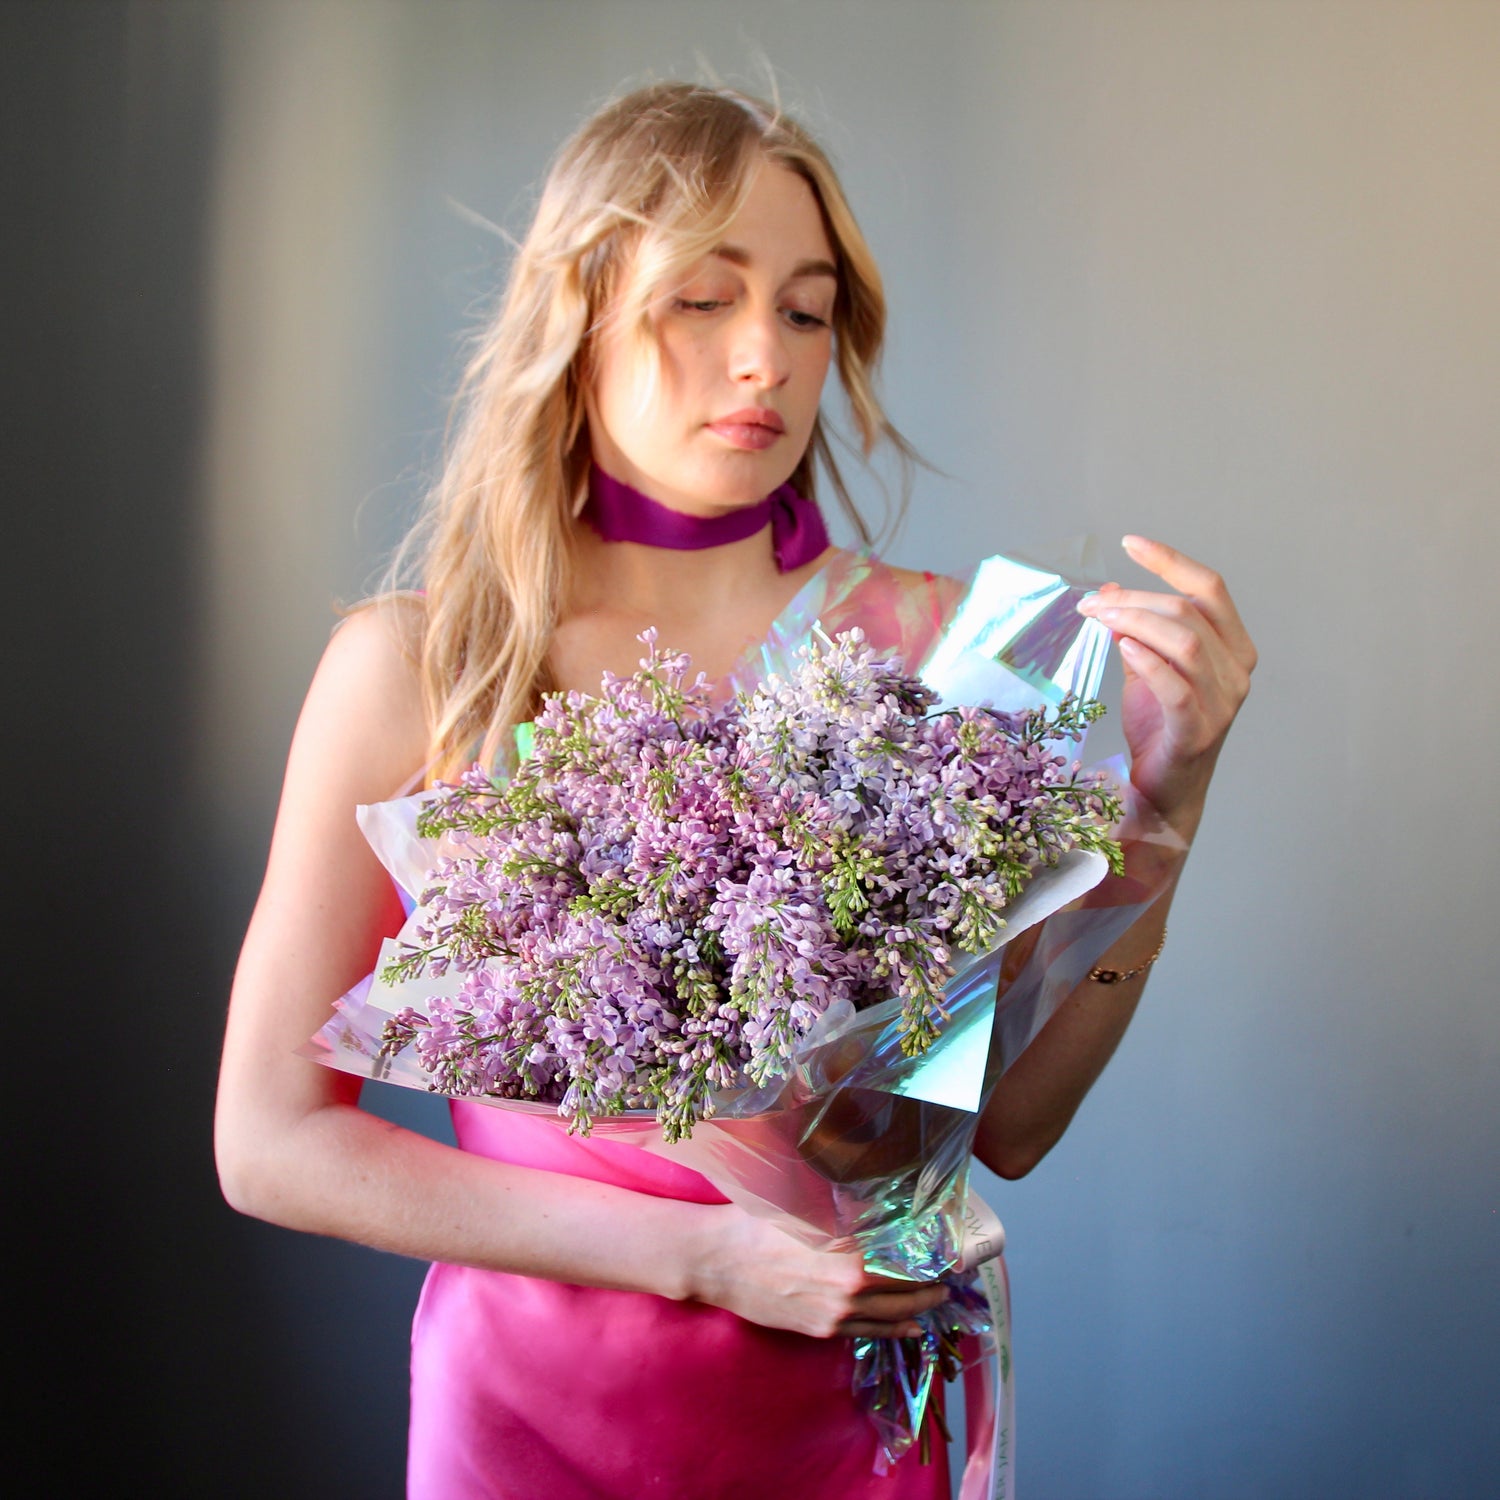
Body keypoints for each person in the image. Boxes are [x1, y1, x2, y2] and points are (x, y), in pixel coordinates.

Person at [214, 82, 1255, 1499]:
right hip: (529, 1420)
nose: (762, 355)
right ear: (573, 311)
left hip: (852, 1417)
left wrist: (1164, 813)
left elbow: (1007, 1126)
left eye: (807, 310)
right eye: (700, 301)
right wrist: (703, 1256)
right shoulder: (425, 665)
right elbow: (271, 1141)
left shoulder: (953, 653)